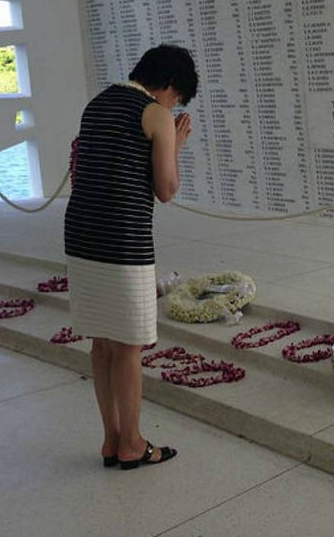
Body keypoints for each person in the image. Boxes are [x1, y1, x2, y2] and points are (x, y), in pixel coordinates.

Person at [64, 44, 197, 469]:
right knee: (128, 346)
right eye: (177, 98)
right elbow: (166, 189)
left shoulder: (97, 103)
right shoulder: (155, 113)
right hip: (123, 239)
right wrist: (174, 142)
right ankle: (133, 443)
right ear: (169, 85)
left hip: (82, 236)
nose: (174, 106)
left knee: (102, 343)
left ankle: (110, 439)